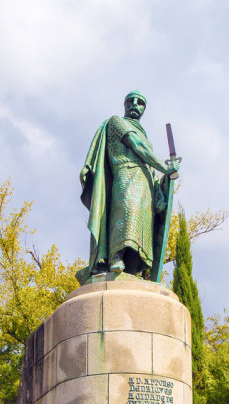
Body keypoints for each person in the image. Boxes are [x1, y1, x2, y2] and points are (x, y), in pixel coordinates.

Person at [77, 91, 179, 283]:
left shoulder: (147, 138)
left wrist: (160, 193)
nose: (135, 104)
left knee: (143, 230)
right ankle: (115, 256)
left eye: (140, 102)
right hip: (126, 174)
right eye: (130, 101)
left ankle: (131, 272)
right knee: (127, 211)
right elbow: (138, 147)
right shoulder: (117, 122)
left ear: (144, 109)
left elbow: (151, 168)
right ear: (124, 105)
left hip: (146, 185)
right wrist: (167, 168)